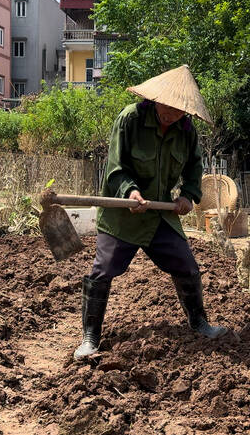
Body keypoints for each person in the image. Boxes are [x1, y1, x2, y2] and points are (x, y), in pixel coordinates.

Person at [74, 65, 227, 360]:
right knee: (102, 272)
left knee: (187, 265)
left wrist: (187, 196)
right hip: (122, 215)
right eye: (168, 106)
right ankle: (91, 336)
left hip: (159, 214)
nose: (172, 113)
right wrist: (130, 192)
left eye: (180, 110)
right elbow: (115, 168)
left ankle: (199, 322)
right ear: (156, 98)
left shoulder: (186, 131)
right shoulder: (130, 119)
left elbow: (195, 168)